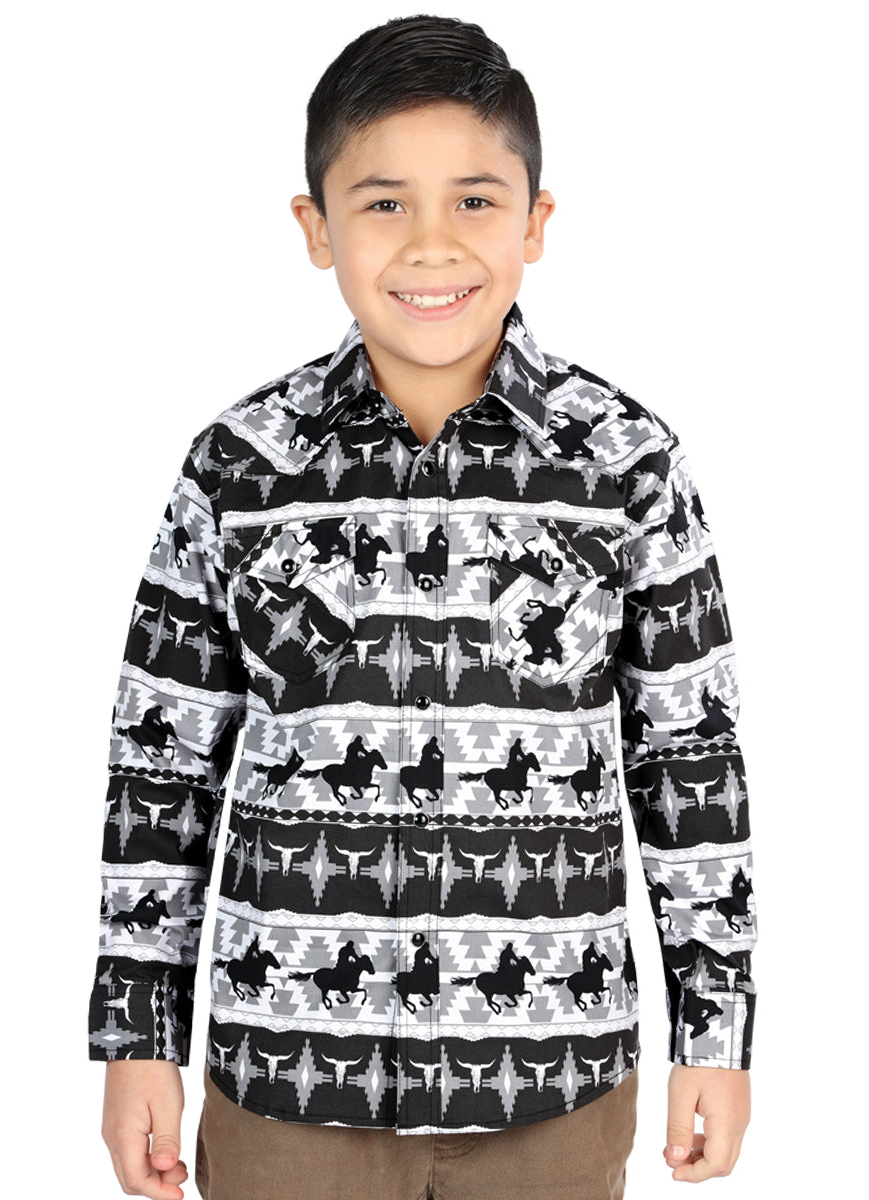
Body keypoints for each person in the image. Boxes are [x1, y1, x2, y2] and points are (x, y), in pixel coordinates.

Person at [90, 15, 757, 1200]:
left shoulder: (628, 467)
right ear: (316, 228)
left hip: (553, 1079)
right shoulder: (238, 469)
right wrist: (138, 1035)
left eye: (476, 201)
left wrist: (717, 1031)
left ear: (536, 222)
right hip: (289, 1081)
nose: (431, 245)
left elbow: (689, 757)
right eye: (385, 203)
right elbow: (163, 768)